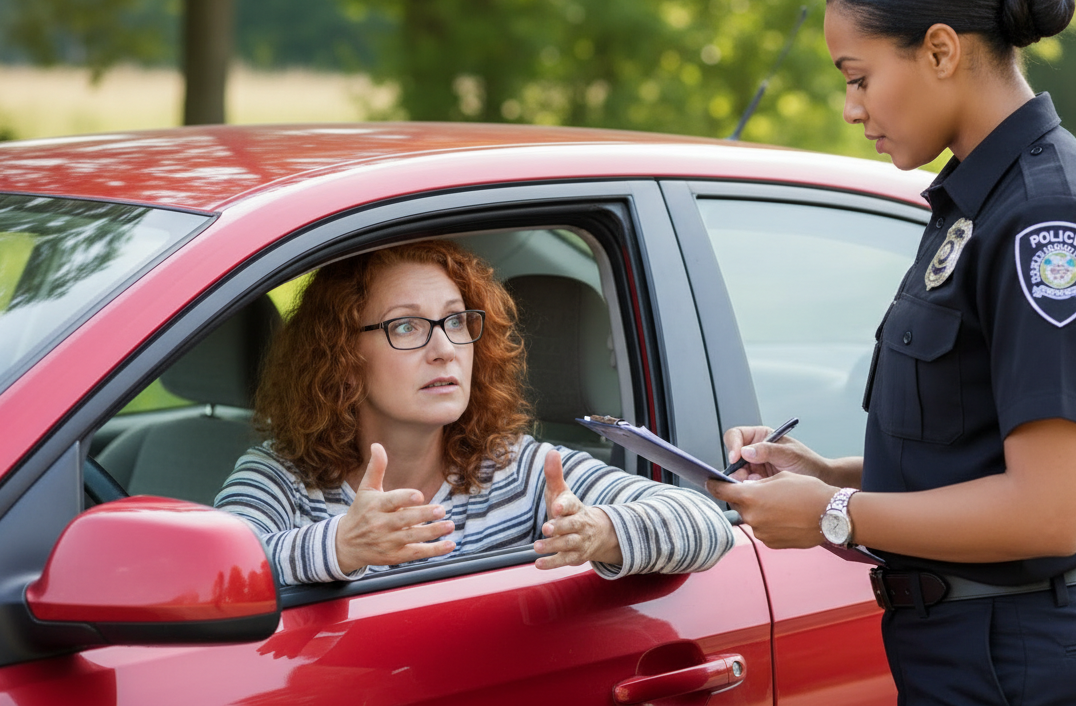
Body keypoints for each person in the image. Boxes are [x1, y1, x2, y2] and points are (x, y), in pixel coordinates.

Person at [707, 0, 1076, 704]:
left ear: (940, 50)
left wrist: (835, 516)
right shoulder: (980, 206)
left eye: (859, 77)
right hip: (976, 652)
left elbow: (1048, 511)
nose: (852, 109)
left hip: (1020, 660)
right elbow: (973, 453)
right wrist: (827, 475)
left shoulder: (1046, 220)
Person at [216, 239, 732, 586]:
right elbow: (217, 574)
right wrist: (343, 545)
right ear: (343, 360)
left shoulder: (519, 468)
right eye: (406, 327)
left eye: (456, 321)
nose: (445, 349)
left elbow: (710, 524)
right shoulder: (279, 476)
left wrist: (599, 532)